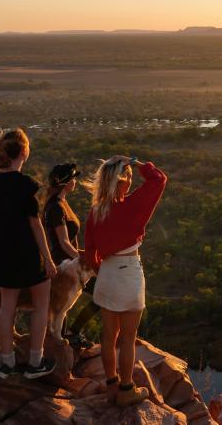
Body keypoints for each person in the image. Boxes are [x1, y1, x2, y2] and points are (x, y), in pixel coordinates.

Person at [0, 128, 57, 379]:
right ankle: (35, 362)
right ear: (23, 152)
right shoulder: (25, 186)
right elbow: (36, 225)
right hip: (26, 253)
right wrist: (49, 260)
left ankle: (7, 363)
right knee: (42, 305)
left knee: (7, 306)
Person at [84, 155, 167, 406]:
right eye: (127, 177)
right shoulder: (134, 206)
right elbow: (159, 179)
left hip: (107, 272)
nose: (130, 182)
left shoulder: (96, 211)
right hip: (129, 271)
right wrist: (138, 162)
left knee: (109, 337)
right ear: (118, 180)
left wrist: (103, 272)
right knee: (128, 338)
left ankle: (111, 386)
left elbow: (89, 253)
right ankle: (126, 389)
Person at [42, 162, 97, 349]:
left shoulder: (61, 202)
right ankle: (65, 341)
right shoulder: (56, 207)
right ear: (66, 182)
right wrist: (82, 258)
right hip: (64, 263)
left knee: (64, 306)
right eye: (74, 178)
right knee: (61, 306)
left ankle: (69, 335)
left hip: (71, 261)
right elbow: (63, 241)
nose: (76, 181)